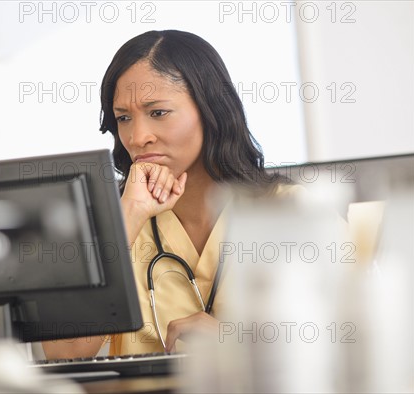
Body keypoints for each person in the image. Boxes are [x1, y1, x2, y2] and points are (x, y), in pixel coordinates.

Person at [42, 29, 296, 359]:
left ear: (211, 110)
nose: (137, 137)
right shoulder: (109, 220)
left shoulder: (292, 211)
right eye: (123, 118)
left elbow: (348, 346)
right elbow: (64, 354)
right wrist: (126, 218)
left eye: (158, 112)